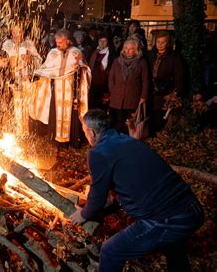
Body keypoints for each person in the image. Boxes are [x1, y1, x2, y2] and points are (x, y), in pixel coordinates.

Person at [70, 109, 204, 272]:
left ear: (91, 132)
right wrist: (93, 209)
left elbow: (97, 196)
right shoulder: (127, 141)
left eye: (84, 131)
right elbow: (124, 189)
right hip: (192, 208)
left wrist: (83, 214)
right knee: (174, 250)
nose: (85, 136)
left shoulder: (99, 153)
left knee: (110, 251)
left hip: (168, 218)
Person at [30, 29, 91, 149]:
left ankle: (71, 143)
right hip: (56, 90)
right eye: (57, 42)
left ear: (68, 41)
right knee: (55, 113)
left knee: (72, 114)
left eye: (61, 42)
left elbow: (85, 70)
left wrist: (79, 67)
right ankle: (55, 141)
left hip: (71, 90)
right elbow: (46, 69)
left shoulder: (76, 53)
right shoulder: (53, 53)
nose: (58, 45)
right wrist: (36, 74)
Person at [108, 38, 149, 134]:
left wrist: (144, 96)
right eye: (126, 48)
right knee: (117, 122)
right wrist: (112, 90)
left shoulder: (141, 62)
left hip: (132, 97)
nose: (127, 51)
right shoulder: (117, 61)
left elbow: (145, 80)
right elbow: (111, 78)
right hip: (117, 98)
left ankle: (127, 143)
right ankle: (116, 142)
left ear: (136, 50)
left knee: (129, 123)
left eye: (130, 49)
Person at [148, 30, 184, 133]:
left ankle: (158, 134)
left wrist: (175, 92)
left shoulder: (174, 57)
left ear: (167, 43)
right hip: (151, 89)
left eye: (163, 42)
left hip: (165, 91)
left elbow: (179, 76)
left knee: (160, 115)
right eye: (158, 42)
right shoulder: (151, 55)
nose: (160, 44)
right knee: (150, 113)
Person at [88, 34, 116, 110]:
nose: (102, 43)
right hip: (93, 82)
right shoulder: (93, 52)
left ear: (108, 42)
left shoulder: (111, 54)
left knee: (103, 104)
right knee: (93, 102)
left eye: (104, 41)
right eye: (100, 41)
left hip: (104, 83)